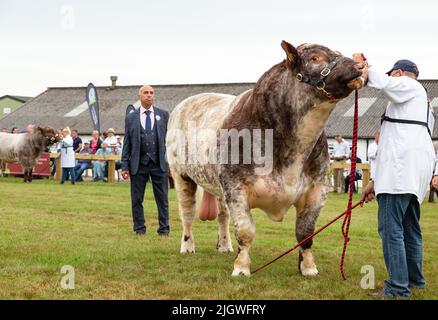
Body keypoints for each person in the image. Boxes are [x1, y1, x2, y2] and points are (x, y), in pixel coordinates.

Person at [357, 56, 436, 299]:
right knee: (410, 228)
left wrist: (365, 68)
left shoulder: (409, 86)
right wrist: (374, 181)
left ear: (400, 73)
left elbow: (383, 83)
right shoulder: (423, 106)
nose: (391, 78)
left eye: (393, 75)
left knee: (391, 229)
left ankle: (397, 288)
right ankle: (415, 280)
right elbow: (391, 143)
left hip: (400, 170)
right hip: (412, 171)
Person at [122, 85, 170, 236]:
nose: (149, 95)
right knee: (137, 199)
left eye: (151, 93)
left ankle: (164, 229)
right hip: (138, 164)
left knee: (162, 199)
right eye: (145, 93)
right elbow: (127, 142)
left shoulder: (163, 115)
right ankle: (139, 229)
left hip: (159, 163)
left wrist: (171, 162)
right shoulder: (131, 117)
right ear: (140, 96)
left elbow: (169, 141)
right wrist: (124, 166)